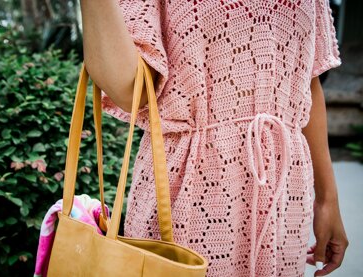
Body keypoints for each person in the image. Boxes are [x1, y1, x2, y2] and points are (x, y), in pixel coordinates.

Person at [81, 0, 349, 276]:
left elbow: (308, 78)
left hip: (285, 192)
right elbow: (129, 90)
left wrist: (327, 199)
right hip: (189, 183)